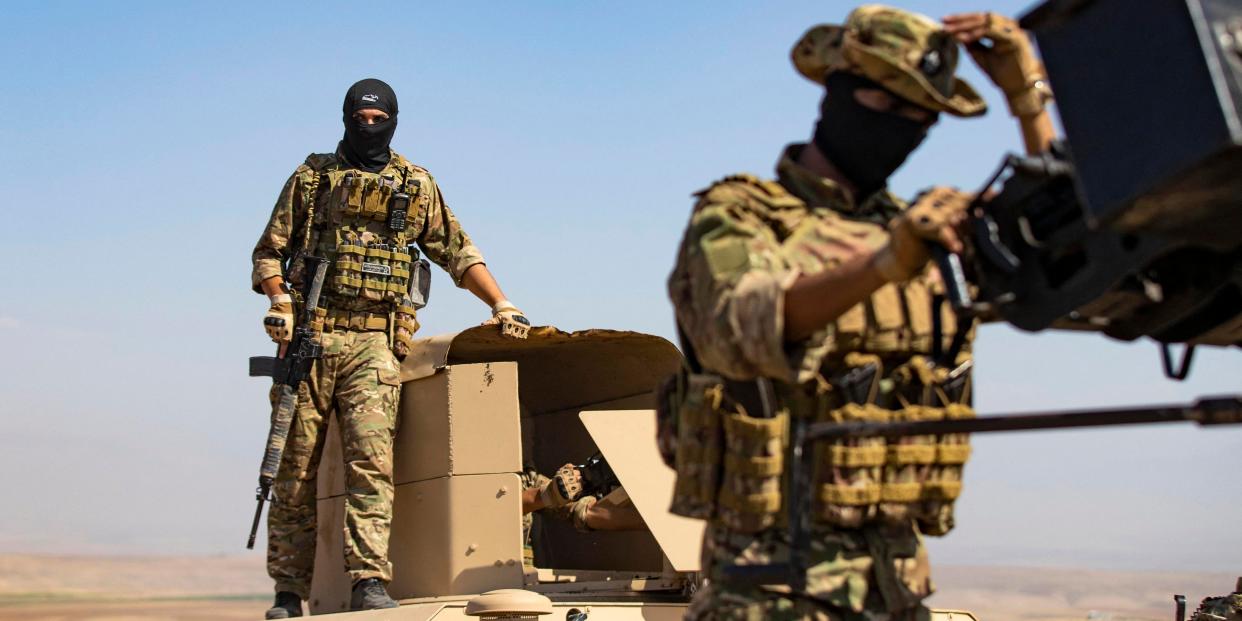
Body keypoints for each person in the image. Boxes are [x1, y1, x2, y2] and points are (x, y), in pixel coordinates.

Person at [665, 7, 1054, 619]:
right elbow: (734, 330)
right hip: (772, 593)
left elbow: (1072, 256)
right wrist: (883, 261)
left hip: (899, 592)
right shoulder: (743, 215)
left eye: (921, 119)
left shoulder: (926, 237)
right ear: (838, 92)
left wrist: (1028, 97)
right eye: (885, 104)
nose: (902, 129)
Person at [251, 78, 529, 618]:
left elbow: (456, 251)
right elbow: (268, 252)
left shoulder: (415, 185)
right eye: (361, 118)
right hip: (310, 339)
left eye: (381, 120)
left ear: (394, 120)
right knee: (293, 470)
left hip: (376, 343)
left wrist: (501, 304)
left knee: (371, 468)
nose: (370, 127)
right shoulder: (311, 180)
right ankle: (288, 591)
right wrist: (280, 302)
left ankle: (369, 581)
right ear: (346, 117)